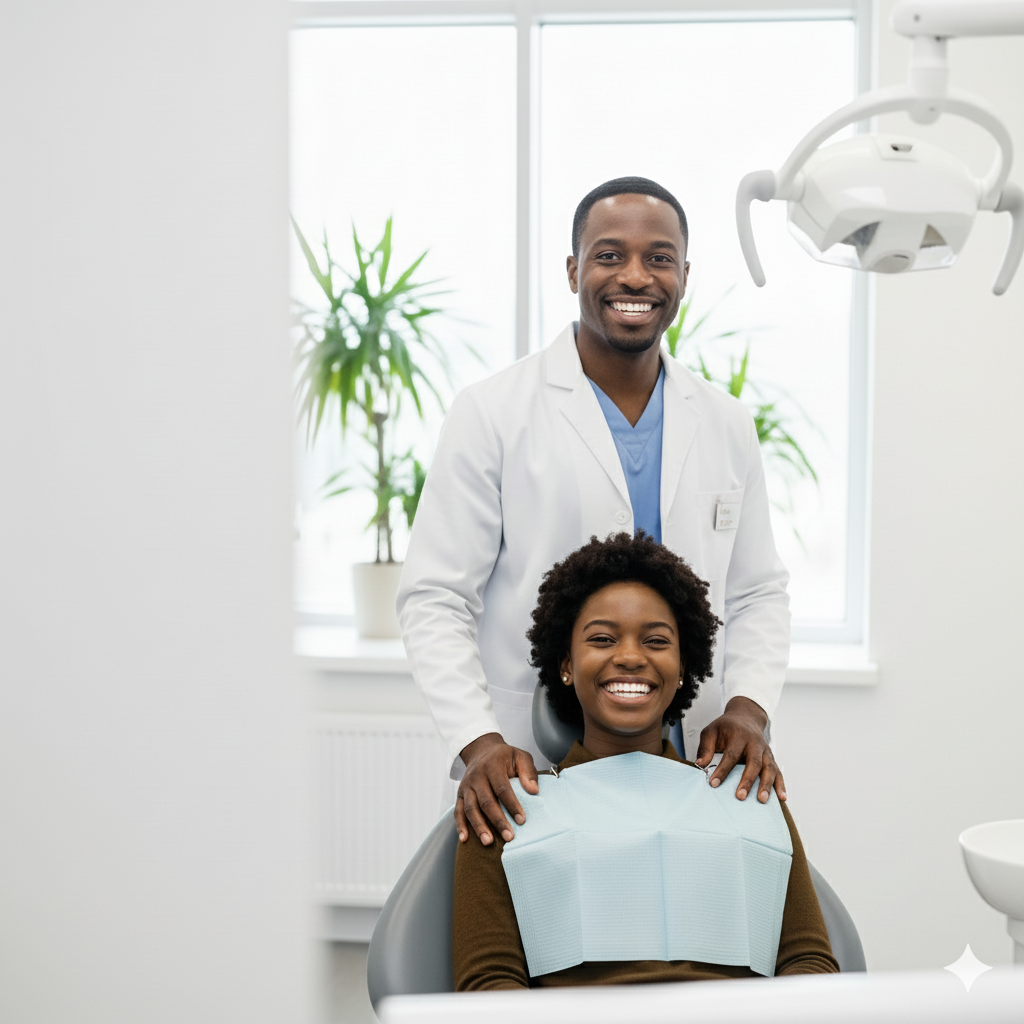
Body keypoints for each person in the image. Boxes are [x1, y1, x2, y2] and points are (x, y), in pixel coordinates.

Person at [398, 176, 791, 848]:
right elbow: (435, 598)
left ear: (684, 276)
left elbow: (758, 592)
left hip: (685, 761)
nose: (634, 276)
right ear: (574, 269)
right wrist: (481, 742)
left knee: (681, 941)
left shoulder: (724, 423)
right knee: (520, 945)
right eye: (609, 255)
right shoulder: (493, 412)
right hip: (529, 766)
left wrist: (748, 711)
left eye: (659, 257)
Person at [452, 533, 838, 990]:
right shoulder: (504, 807)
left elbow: (809, 963)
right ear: (566, 665)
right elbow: (488, 986)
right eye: (601, 638)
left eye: (656, 640)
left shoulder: (748, 793)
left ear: (681, 669)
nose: (631, 657)